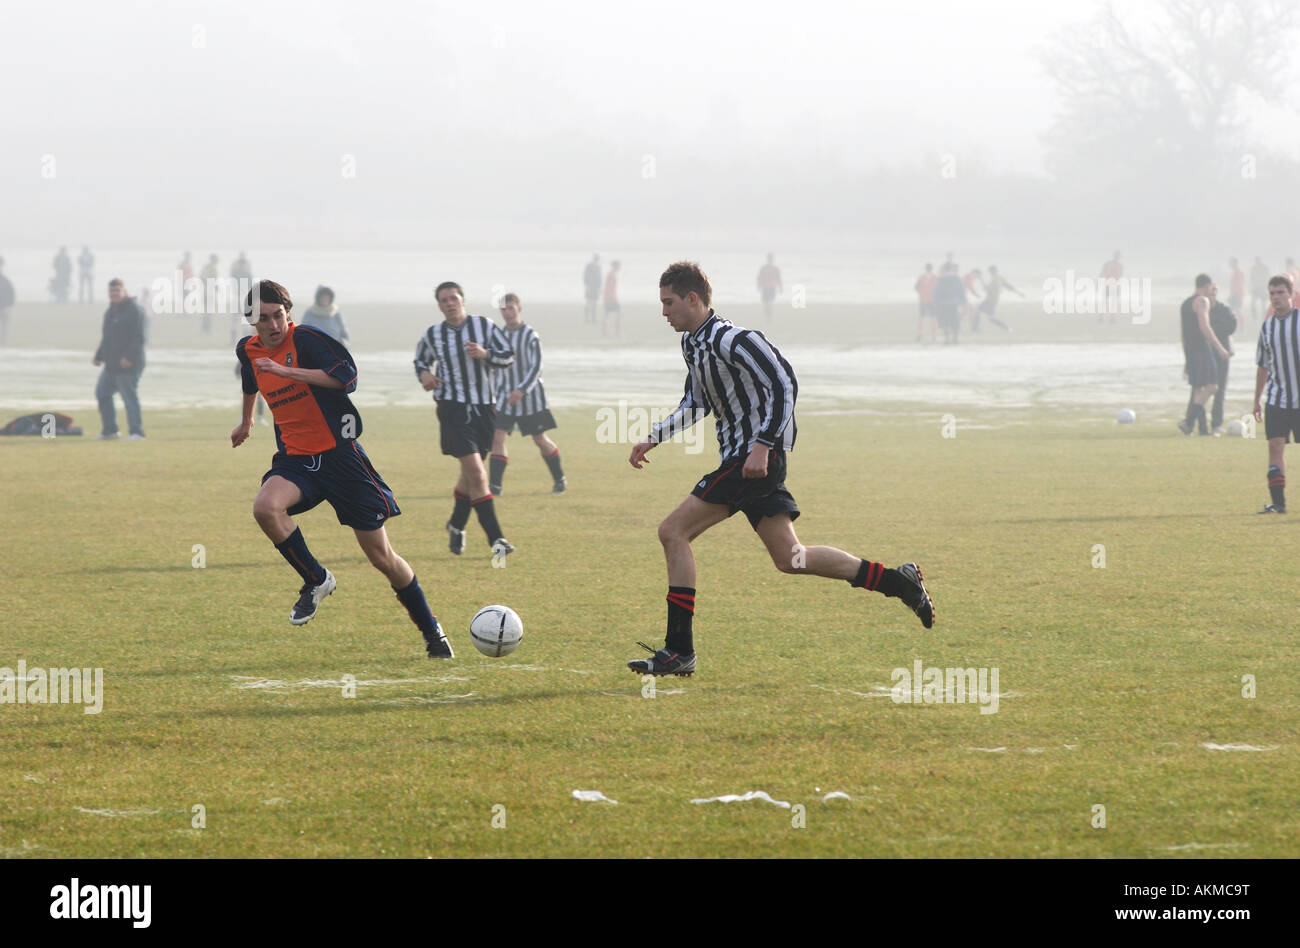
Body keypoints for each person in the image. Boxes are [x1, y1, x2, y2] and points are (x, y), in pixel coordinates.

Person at [624, 262, 935, 678]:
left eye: (668, 302)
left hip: (751, 460)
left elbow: (784, 381)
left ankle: (680, 650)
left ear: (693, 299)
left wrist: (763, 446)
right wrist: (655, 435)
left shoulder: (736, 339)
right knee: (792, 558)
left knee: (672, 531)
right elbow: (697, 401)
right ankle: (901, 582)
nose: (663, 312)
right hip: (743, 460)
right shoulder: (693, 346)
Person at [232, 280, 454, 658]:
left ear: (290, 314)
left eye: (278, 316)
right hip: (297, 460)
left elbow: (346, 379)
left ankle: (433, 632)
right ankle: (317, 579)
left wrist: (290, 373)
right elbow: (252, 378)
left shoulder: (308, 341)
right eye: (262, 319)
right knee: (265, 507)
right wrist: (247, 421)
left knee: (382, 557)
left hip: (341, 458)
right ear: (251, 322)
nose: (272, 326)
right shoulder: (248, 349)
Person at [414, 282, 516, 560]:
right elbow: (420, 362)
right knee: (479, 474)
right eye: (444, 300)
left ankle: (456, 525)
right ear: (439, 305)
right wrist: (424, 375)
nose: (450, 303)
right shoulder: (434, 334)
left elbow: (508, 357)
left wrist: (486, 355)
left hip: (484, 408)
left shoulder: (485, 326)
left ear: (463, 300)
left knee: (469, 474)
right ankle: (497, 540)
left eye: (453, 298)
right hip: (452, 408)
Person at [488, 293, 566, 496]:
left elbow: (536, 367)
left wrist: (521, 390)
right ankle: (495, 487)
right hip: (506, 399)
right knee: (497, 437)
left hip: (531, 399)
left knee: (539, 439)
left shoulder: (530, 334)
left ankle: (559, 479)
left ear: (519, 308)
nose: (507, 313)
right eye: (504, 309)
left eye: (511, 308)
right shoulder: (498, 336)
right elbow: (495, 368)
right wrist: (495, 397)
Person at [1254, 274, 1300, 514]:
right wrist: (1256, 401)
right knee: (1275, 445)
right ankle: (1279, 504)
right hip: (1276, 399)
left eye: (1280, 292)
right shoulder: (1268, 326)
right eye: (1272, 293)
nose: (1276, 298)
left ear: (1291, 294)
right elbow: (1263, 365)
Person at [92, 278, 147, 440]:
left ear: (124, 291)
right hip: (111, 364)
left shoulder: (134, 310)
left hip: (129, 364)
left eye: (117, 291)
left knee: (129, 397)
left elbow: (139, 338)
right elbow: (107, 337)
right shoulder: (110, 311)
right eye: (111, 291)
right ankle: (110, 431)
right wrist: (98, 356)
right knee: (102, 393)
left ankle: (137, 432)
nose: (114, 294)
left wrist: (129, 358)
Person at [1177, 274, 1230, 436]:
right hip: (1202, 350)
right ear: (1207, 286)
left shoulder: (1185, 303)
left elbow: (1183, 333)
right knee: (1212, 386)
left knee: (1199, 389)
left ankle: (1202, 429)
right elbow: (1205, 327)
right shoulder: (1202, 301)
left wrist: (1186, 357)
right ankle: (1188, 422)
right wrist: (1220, 348)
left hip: (1191, 350)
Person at [1206, 282, 1237, 435]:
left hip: (1222, 354)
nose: (1210, 296)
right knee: (1200, 388)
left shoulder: (1224, 310)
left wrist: (1211, 331)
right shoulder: (1201, 311)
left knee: (1220, 390)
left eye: (1213, 293)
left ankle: (1216, 423)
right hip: (1204, 354)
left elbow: (1232, 326)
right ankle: (1197, 422)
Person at [977, 265, 1023, 333]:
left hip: (990, 301)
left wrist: (981, 279)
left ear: (991, 271)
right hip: (992, 300)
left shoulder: (994, 280)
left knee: (990, 318)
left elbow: (987, 289)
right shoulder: (1000, 278)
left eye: (990, 271)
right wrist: (1019, 293)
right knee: (978, 312)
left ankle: (1007, 328)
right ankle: (975, 329)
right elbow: (1009, 286)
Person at [933, 262, 965, 345]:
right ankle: (955, 339)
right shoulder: (957, 278)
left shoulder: (940, 279)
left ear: (944, 269)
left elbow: (936, 292)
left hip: (943, 304)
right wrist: (962, 302)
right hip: (954, 303)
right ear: (951, 268)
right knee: (955, 321)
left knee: (945, 321)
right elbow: (961, 290)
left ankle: (946, 339)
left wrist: (936, 303)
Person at [914, 262, 937, 343]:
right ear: (931, 269)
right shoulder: (934, 277)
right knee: (932, 318)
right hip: (929, 300)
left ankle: (921, 334)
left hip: (926, 299)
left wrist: (921, 293)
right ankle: (932, 335)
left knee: (922, 318)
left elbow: (916, 287)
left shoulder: (923, 277)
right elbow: (916, 287)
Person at [756, 253, 782, 322]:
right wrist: (780, 287)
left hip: (768, 287)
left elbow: (759, 277)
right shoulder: (770, 268)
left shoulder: (767, 268)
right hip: (769, 287)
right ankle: (769, 317)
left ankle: (769, 317)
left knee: (768, 303)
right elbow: (778, 278)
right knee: (768, 303)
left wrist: (759, 285)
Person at [1100, 251, 1123, 322]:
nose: (1117, 257)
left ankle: (1110, 318)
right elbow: (1102, 273)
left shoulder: (1119, 265)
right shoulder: (1110, 264)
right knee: (1107, 302)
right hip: (1109, 285)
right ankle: (1103, 317)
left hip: (1113, 285)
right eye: (1117, 256)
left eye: (1118, 256)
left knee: (1110, 302)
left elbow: (1120, 277)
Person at [199, 253, 219, 334]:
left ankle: (204, 328)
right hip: (209, 293)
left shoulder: (206, 267)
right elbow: (213, 280)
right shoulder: (213, 268)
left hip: (205, 291)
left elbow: (201, 277)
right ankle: (207, 329)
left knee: (206, 311)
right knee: (209, 311)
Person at [603, 260, 622, 337]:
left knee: (608, 315)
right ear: (616, 266)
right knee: (617, 314)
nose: (619, 267)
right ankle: (616, 332)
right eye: (618, 266)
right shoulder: (611, 275)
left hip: (608, 298)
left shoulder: (611, 274)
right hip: (610, 298)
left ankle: (606, 331)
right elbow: (610, 288)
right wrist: (612, 298)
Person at [1249, 257, 1270, 322]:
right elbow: (1251, 278)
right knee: (1253, 303)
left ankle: (1264, 317)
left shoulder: (1264, 268)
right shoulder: (1254, 268)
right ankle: (1255, 317)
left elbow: (1268, 277)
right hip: (1256, 288)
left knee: (1263, 304)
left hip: (1262, 288)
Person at [583, 254, 601, 324]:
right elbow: (585, 276)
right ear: (594, 259)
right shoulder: (589, 266)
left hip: (595, 288)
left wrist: (599, 288)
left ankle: (593, 319)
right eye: (596, 259)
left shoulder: (598, 267)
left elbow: (599, 279)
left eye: (597, 259)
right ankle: (587, 319)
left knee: (594, 304)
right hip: (590, 287)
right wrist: (587, 286)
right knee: (588, 303)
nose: (597, 260)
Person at [1227, 257, 1246, 325]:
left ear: (1235, 263)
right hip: (1235, 294)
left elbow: (1239, 284)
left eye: (1231, 263)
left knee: (1237, 310)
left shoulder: (1238, 272)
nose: (1230, 265)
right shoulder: (1234, 272)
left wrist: (1234, 294)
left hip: (1237, 295)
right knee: (1233, 311)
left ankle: (1241, 325)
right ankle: (1236, 324)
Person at [0, 257, 14, 347]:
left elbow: (10, 295)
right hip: (4, 308)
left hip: (3, 308)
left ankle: (2, 343)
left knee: (3, 327)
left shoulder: (5, 281)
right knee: (3, 327)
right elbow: (11, 295)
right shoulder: (5, 281)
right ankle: (3, 343)